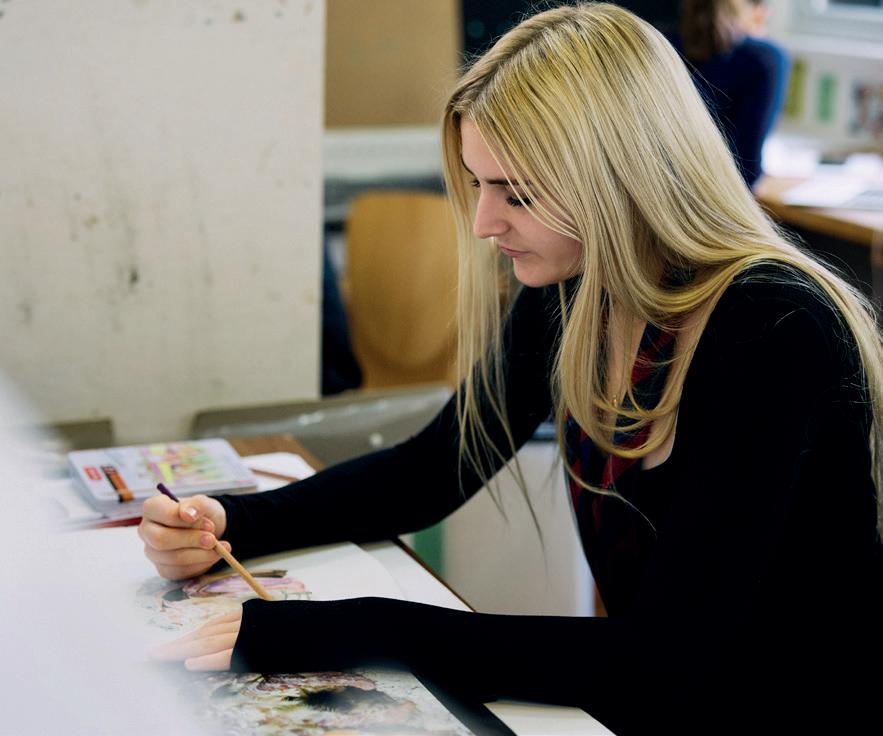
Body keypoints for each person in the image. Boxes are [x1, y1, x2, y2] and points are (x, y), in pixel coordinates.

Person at [140, 4, 882, 734]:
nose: (483, 224)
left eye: (517, 194)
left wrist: (354, 628)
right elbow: (434, 468)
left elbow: (662, 658)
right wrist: (236, 520)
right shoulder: (574, 287)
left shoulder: (772, 325)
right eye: (478, 183)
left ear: (620, 178)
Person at [668, 0, 789, 188]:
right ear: (759, 13)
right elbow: (747, 171)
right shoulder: (763, 60)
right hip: (714, 198)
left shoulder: (658, 45)